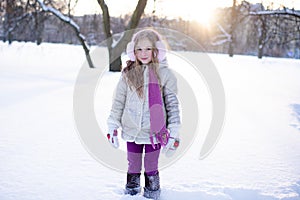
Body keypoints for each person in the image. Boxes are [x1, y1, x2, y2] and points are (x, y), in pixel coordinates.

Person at [106, 28, 181, 200]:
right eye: (139, 49)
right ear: (133, 51)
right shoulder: (128, 74)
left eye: (148, 49)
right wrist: (113, 125)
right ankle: (131, 193)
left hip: (155, 132)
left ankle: (152, 193)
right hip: (132, 130)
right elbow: (118, 102)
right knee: (133, 165)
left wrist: (174, 130)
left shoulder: (165, 74)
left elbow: (172, 106)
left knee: (150, 165)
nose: (144, 53)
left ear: (157, 50)